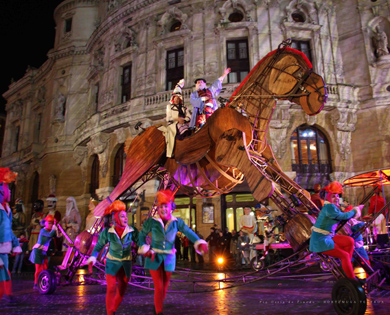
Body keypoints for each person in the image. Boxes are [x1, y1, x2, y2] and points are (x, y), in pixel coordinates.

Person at [138, 190, 208, 315]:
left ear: (171, 207)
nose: (163, 209)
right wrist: (145, 248)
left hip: (169, 257)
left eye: (166, 206)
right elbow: (141, 235)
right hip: (154, 257)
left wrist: (198, 241)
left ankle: (157, 304)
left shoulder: (177, 222)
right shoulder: (152, 221)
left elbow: (188, 232)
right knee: (159, 286)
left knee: (164, 287)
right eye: (161, 207)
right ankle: (159, 312)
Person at [87, 200, 139, 315]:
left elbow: (141, 242)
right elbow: (98, 245)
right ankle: (109, 313)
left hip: (126, 264)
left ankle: (113, 309)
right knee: (110, 288)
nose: (125, 218)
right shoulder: (107, 232)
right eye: (122, 216)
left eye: (126, 216)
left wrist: (146, 248)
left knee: (122, 289)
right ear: (116, 218)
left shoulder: (132, 231)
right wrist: (93, 257)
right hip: (111, 264)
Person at [309, 181, 363, 280]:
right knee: (345, 255)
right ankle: (351, 279)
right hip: (321, 240)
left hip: (328, 236)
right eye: (334, 196)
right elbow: (343, 216)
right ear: (328, 198)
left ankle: (346, 268)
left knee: (350, 241)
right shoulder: (329, 207)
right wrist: (356, 210)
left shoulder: (333, 207)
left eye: (337, 196)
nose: (337, 198)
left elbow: (343, 214)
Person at [0, 168, 21, 302]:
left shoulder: (7, 209)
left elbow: (8, 230)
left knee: (5, 272)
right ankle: (5, 295)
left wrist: (16, 244)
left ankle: (7, 295)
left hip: (5, 246)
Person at [29, 215, 59, 289]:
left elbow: (58, 236)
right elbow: (49, 235)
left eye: (51, 223)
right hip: (38, 251)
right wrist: (54, 229)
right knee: (38, 269)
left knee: (45, 268)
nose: (51, 225)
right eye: (49, 223)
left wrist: (57, 229)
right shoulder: (43, 230)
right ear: (45, 223)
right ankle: (36, 283)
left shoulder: (50, 230)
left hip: (43, 251)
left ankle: (43, 282)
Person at [164, 79, 192, 158]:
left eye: (178, 98)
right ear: (173, 99)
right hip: (174, 124)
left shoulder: (184, 107)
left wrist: (184, 120)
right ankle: (177, 148)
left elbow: (188, 116)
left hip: (185, 123)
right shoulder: (169, 107)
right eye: (175, 98)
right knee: (181, 130)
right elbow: (169, 117)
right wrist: (177, 119)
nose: (176, 99)